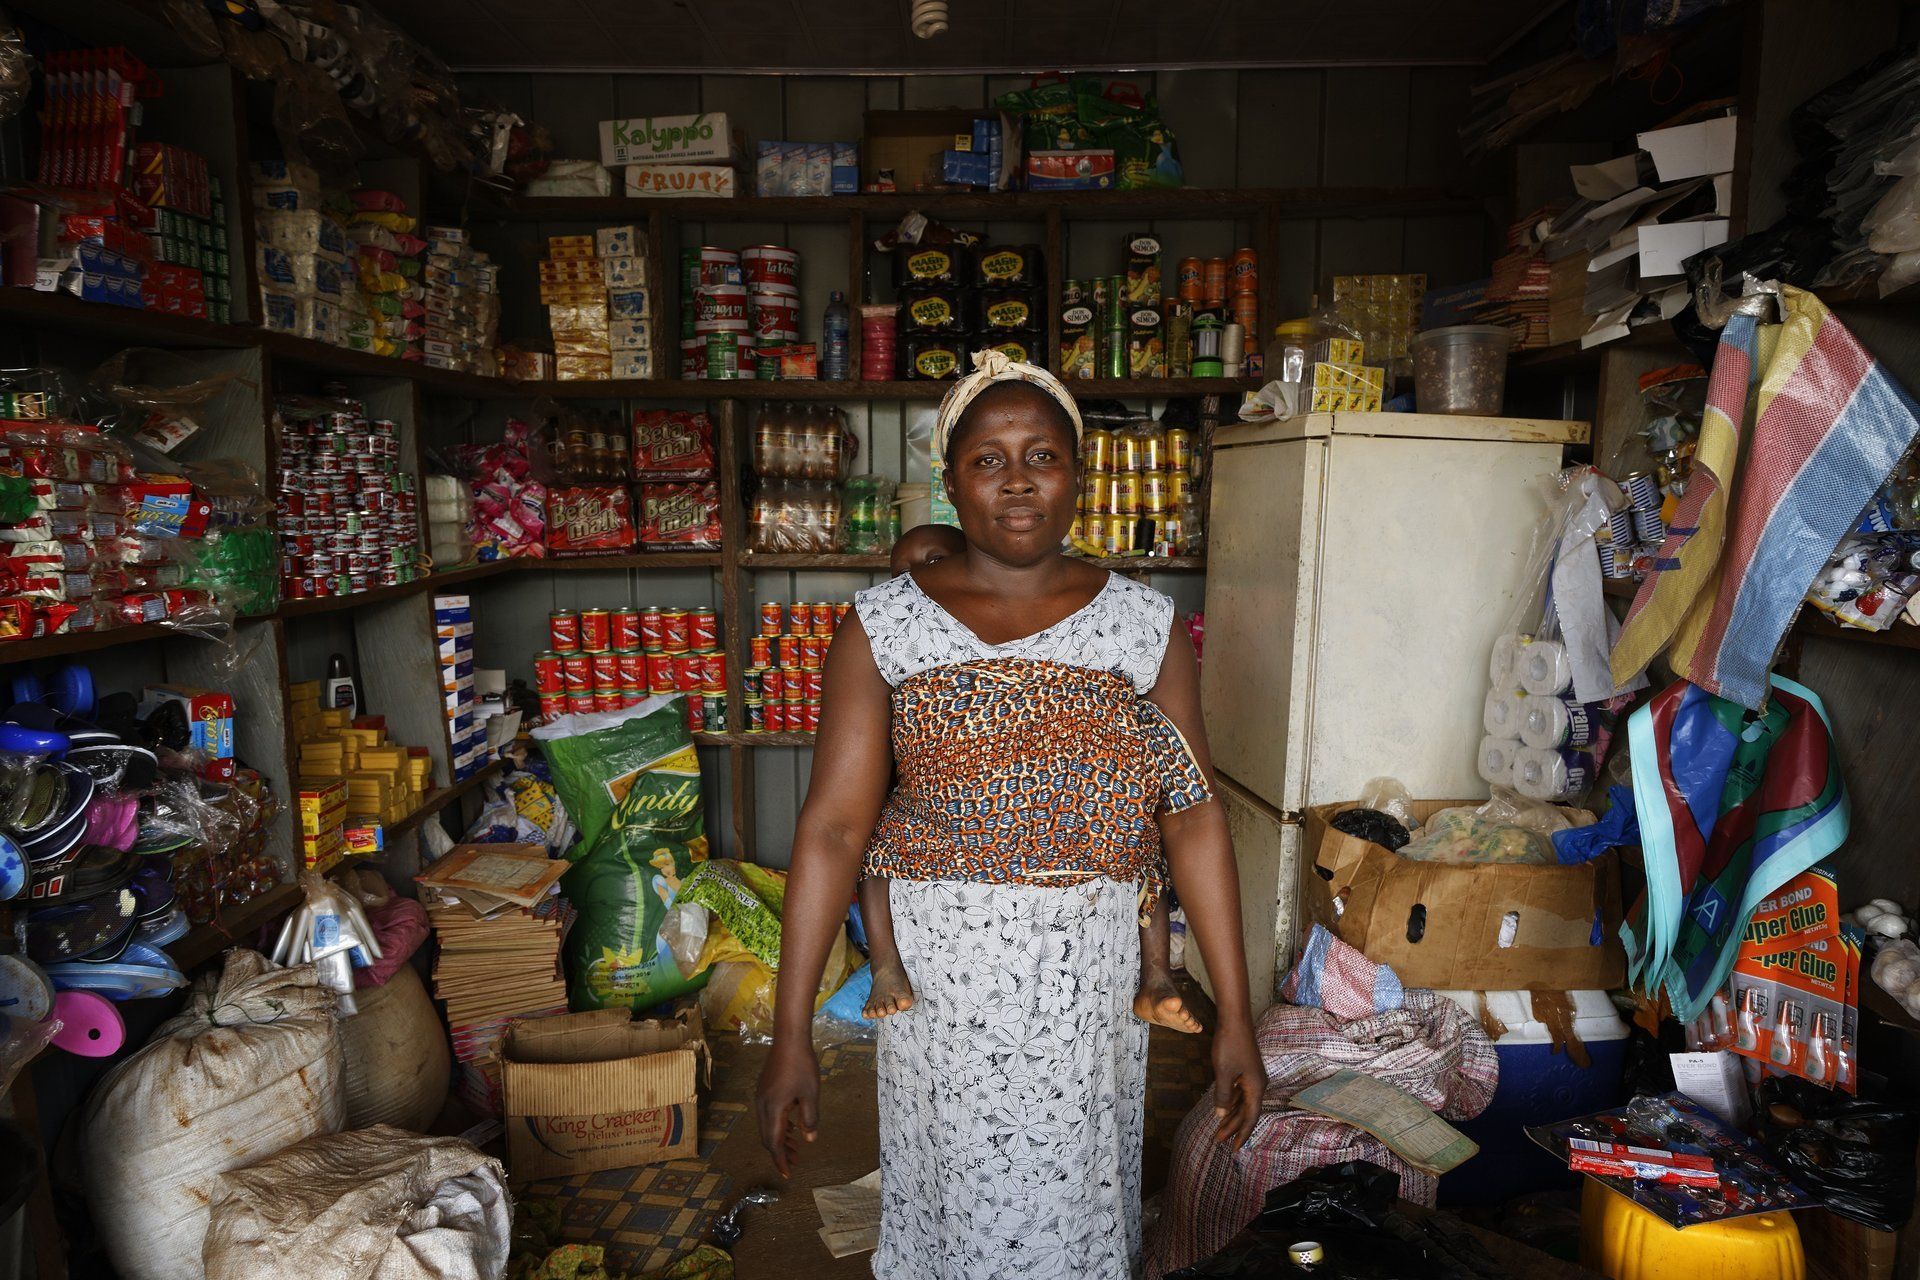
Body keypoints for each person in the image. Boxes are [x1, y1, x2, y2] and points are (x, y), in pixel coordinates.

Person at [757, 351, 1265, 1279]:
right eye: (989, 459)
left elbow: (1192, 818)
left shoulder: (1142, 627)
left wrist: (1234, 1013)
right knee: (956, 1211)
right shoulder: (885, 625)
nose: (1018, 480)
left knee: (1074, 1211)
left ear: (1078, 475)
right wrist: (791, 1032)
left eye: (1043, 455)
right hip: (941, 989)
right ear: (950, 480)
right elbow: (834, 830)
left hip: (1087, 986)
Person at [861, 523, 1202, 1034]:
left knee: (1145, 857)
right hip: (921, 825)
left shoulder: (1130, 624)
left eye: (931, 564)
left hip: (1080, 871)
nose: (915, 582)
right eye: (902, 573)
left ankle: (1156, 976)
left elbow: (1191, 805)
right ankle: (885, 964)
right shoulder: (893, 636)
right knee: (874, 860)